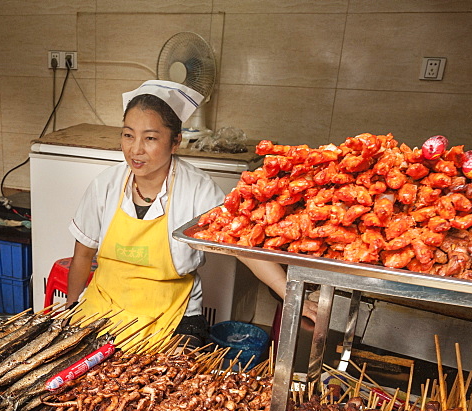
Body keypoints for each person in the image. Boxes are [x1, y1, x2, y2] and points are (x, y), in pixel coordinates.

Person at [66, 80, 301, 343]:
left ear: (175, 141)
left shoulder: (198, 189)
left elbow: (242, 246)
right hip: (104, 306)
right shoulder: (105, 184)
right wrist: (71, 310)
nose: (135, 149)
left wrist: (292, 295)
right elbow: (83, 255)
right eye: (128, 135)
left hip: (171, 314)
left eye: (150, 138)